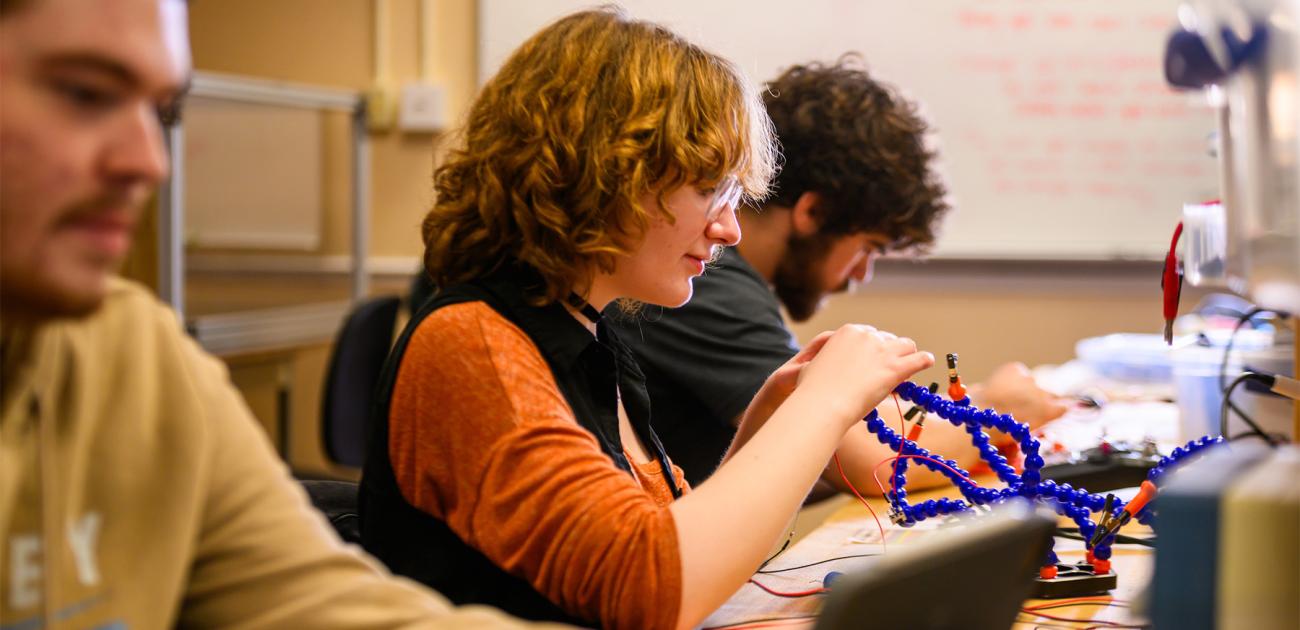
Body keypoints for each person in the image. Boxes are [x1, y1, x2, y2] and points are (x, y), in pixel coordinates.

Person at [358, 8, 934, 630]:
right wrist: (821, 408)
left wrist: (769, 424)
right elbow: (651, 590)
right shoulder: (472, 345)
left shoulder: (594, 335)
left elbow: (692, 553)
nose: (729, 229)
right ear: (607, 171)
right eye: (708, 187)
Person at [0, 1, 556, 627]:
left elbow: (330, 610)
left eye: (165, 113)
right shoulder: (473, 334)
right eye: (85, 93)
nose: (151, 162)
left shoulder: (135, 354)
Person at [607, 57, 1068, 492]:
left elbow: (845, 427)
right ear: (814, 211)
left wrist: (981, 401)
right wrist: (1000, 413)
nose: (862, 274)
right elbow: (869, 461)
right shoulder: (705, 282)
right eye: (867, 247)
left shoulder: (722, 278)